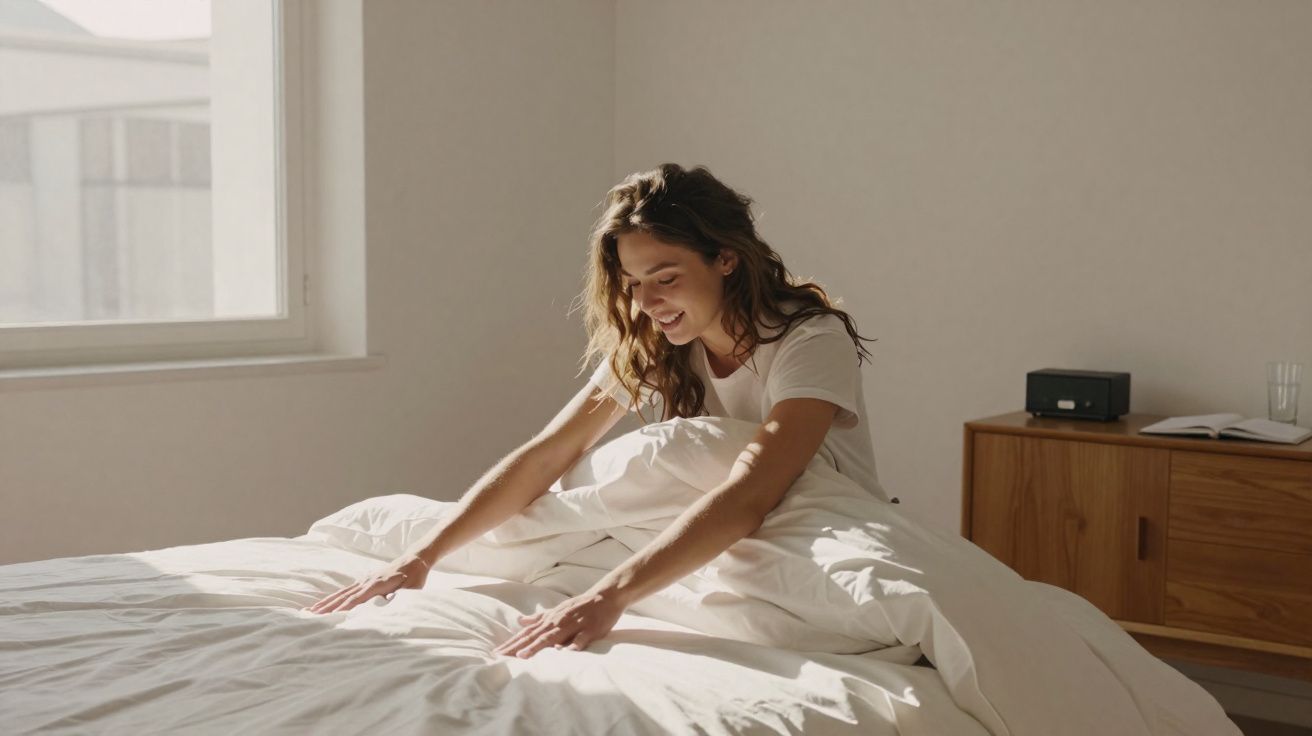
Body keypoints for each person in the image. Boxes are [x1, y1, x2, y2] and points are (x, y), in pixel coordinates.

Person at [304, 163, 882, 659]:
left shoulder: (809, 339)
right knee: (530, 532)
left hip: (814, 528)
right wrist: (420, 557)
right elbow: (553, 451)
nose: (648, 303)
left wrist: (611, 596)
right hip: (712, 526)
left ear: (726, 259)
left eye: (666, 278)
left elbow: (756, 488)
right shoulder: (659, 342)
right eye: (633, 284)